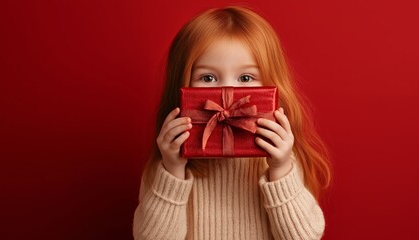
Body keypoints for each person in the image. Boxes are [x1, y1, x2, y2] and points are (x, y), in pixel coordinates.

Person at [133, 6, 332, 240]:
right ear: (182, 84)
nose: (228, 92)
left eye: (245, 78)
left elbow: (305, 237)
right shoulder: (167, 164)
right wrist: (173, 170)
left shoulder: (282, 160)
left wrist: (280, 170)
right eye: (208, 78)